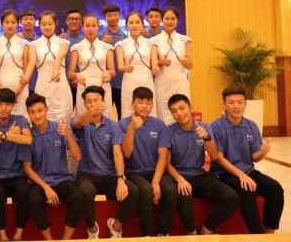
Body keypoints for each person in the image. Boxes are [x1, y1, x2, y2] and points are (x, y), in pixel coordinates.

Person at [211, 87, 284, 234]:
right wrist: (241, 175)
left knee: (275, 189)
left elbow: (254, 158)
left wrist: (262, 152)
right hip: (224, 173)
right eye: (231, 102)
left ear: (245, 104)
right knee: (247, 190)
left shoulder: (251, 125)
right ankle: (257, 235)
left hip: (248, 171)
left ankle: (269, 233)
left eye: (240, 102)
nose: (236, 106)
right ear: (224, 104)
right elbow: (218, 158)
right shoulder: (216, 126)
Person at [165, 94, 239, 235]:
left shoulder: (205, 127)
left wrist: (207, 138)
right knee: (184, 197)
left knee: (231, 197)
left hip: (199, 174)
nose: (179, 113)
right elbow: (166, 163)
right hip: (178, 175)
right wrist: (180, 179)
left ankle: (206, 230)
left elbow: (214, 156)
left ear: (190, 107)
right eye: (174, 111)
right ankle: (192, 234)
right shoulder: (168, 131)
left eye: (182, 108)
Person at [73, 86, 139, 239]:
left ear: (104, 102)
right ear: (84, 104)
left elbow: (117, 153)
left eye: (97, 101)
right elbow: (78, 124)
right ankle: (92, 228)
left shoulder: (113, 126)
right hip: (87, 175)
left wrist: (120, 178)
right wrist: (91, 113)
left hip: (109, 176)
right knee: (86, 192)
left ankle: (116, 226)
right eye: (89, 102)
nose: (93, 104)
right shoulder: (79, 122)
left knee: (133, 191)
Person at [20, 93, 83, 240]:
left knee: (78, 198)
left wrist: (68, 135)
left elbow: (78, 156)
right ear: (28, 114)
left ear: (47, 109)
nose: (37, 115)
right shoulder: (28, 135)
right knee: (34, 201)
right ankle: (49, 240)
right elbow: (27, 168)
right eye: (32, 112)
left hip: (62, 179)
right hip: (40, 182)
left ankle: (65, 240)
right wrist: (46, 187)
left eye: (40, 110)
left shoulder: (59, 128)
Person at [118, 86, 177, 237]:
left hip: (156, 171)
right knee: (145, 190)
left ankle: (163, 233)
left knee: (170, 190)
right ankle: (147, 235)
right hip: (134, 172)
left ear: (152, 104)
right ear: (132, 103)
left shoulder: (159, 125)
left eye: (148, 102)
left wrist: (156, 182)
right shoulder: (122, 125)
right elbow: (126, 153)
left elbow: (163, 156)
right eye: (140, 102)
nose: (144, 106)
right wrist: (131, 129)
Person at [0, 88, 33, 242]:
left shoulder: (20, 120)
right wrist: (10, 135)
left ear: (13, 105)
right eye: (0, 104)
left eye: (7, 104)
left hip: (17, 174)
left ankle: (18, 235)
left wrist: (1, 135)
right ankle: (2, 236)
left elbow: (28, 140)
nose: (3, 108)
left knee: (24, 191)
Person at [68, 13, 115, 119]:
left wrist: (108, 72)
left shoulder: (107, 47)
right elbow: (70, 73)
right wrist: (77, 75)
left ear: (98, 27)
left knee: (104, 118)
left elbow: (113, 72)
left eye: (94, 25)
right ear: (82, 27)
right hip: (84, 86)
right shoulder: (76, 47)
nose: (90, 29)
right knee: (84, 118)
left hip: (103, 86)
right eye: (87, 25)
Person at [151, 7, 192, 125]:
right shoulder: (154, 40)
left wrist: (186, 63)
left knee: (182, 112)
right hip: (162, 83)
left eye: (173, 19)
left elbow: (190, 66)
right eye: (167, 18)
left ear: (177, 21)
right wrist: (161, 63)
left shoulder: (185, 40)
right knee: (163, 115)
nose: (169, 21)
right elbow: (154, 69)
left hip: (180, 82)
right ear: (162, 20)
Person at [115, 11, 159, 118]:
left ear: (143, 24)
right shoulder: (120, 44)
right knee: (128, 111)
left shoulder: (151, 43)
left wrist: (156, 69)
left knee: (148, 111)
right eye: (131, 23)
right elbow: (120, 67)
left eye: (137, 22)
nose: (134, 25)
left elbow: (154, 66)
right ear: (126, 25)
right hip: (129, 82)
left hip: (146, 80)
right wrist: (126, 67)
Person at [0, 10, 36, 116]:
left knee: (20, 118)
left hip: (20, 86)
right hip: (0, 85)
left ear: (17, 23)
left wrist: (17, 91)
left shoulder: (24, 43)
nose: (10, 25)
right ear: (1, 24)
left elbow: (26, 69)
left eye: (13, 22)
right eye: (7, 22)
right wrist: (3, 91)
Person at [32, 10, 72, 121]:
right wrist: (25, 78)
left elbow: (59, 58)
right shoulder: (33, 44)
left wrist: (55, 72)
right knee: (42, 118)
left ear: (56, 24)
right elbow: (31, 63)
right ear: (39, 25)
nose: (47, 27)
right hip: (42, 86)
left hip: (60, 86)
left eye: (50, 24)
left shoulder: (64, 42)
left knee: (63, 119)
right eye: (43, 24)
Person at [99, 4, 127, 120]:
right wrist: (102, 42)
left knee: (123, 116)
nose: (113, 18)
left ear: (120, 16)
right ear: (105, 18)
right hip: (105, 83)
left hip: (122, 83)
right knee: (103, 116)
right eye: (109, 15)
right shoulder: (99, 36)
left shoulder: (126, 37)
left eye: (115, 15)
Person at [60, 9, 84, 110]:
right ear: (66, 21)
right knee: (64, 114)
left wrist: (78, 78)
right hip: (62, 84)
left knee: (82, 114)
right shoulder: (59, 39)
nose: (74, 21)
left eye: (77, 19)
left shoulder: (86, 40)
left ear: (81, 21)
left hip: (82, 83)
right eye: (71, 19)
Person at [17, 9, 39, 94]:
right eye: (25, 19)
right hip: (19, 80)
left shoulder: (40, 41)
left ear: (35, 22)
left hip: (37, 81)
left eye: (31, 19)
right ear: (20, 22)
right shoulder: (16, 39)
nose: (28, 21)